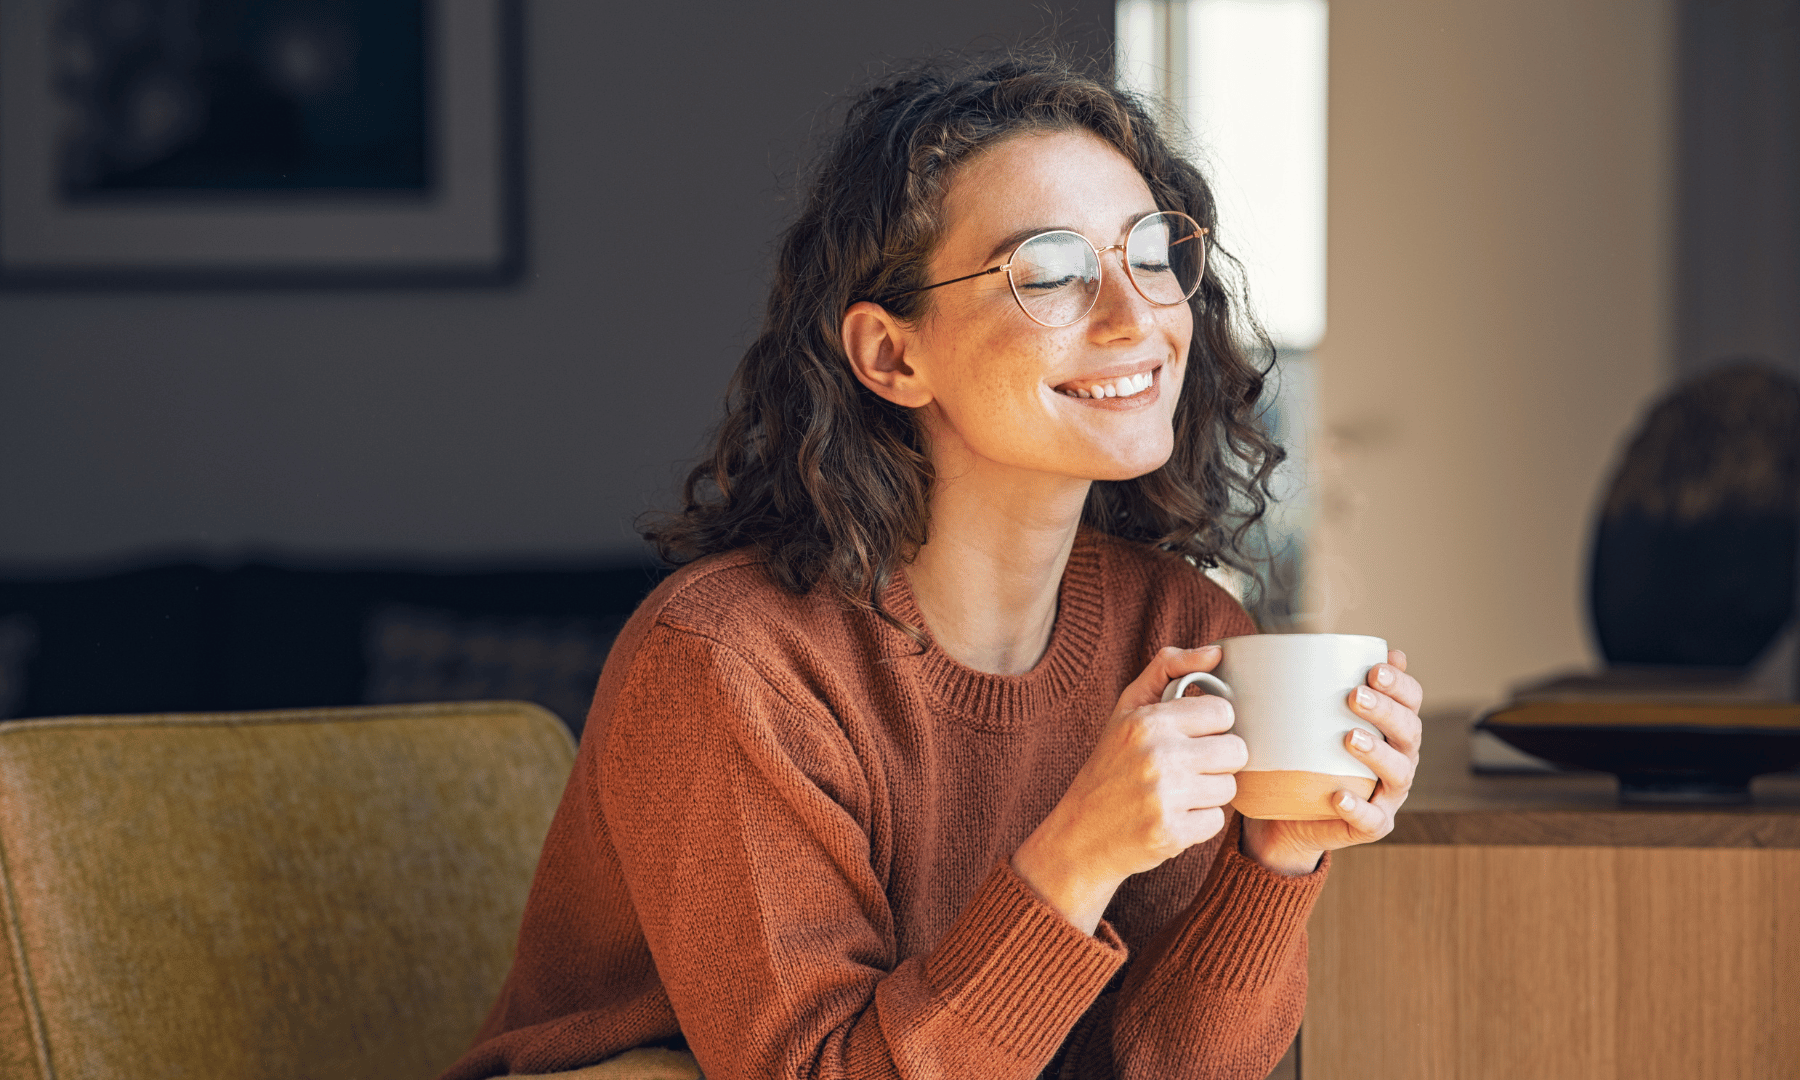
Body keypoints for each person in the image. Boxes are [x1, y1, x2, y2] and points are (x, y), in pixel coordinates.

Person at [441, 52, 1423, 1080]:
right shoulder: (731, 664)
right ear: (890, 357)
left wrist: (1277, 857)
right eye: (1049, 274)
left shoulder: (1186, 631)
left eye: (1152, 253)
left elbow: (1167, 1068)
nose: (1138, 318)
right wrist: (1076, 856)